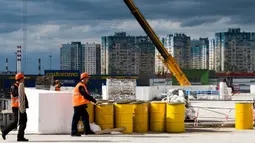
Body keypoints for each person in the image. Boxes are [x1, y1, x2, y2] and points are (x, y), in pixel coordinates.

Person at [1, 73, 29, 142]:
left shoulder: (20, 86)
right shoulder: (14, 86)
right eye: (23, 78)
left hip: (21, 107)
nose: (24, 80)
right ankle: (4, 131)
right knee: (16, 122)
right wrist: (19, 91)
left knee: (23, 122)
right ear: (20, 79)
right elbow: (15, 94)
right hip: (17, 107)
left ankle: (20, 137)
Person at [71, 72, 97, 136]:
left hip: (80, 104)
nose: (88, 80)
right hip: (78, 104)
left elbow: (85, 96)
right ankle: (73, 132)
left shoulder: (82, 85)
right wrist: (93, 100)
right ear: (84, 78)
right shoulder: (80, 86)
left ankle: (87, 131)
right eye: (87, 78)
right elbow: (85, 95)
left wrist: (91, 100)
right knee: (76, 118)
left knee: (85, 116)